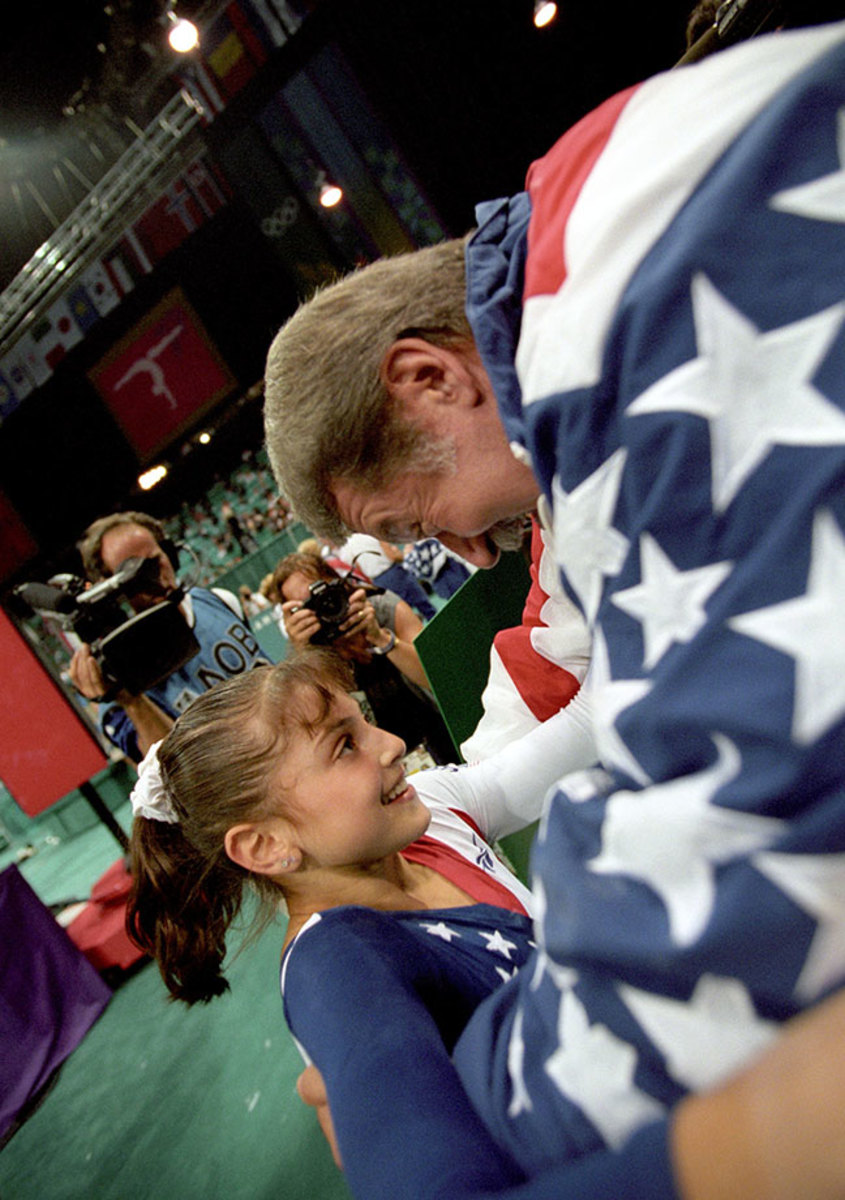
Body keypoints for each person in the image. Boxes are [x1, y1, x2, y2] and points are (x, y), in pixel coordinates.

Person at [263, 19, 845, 1197]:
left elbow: (759, 854)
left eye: (418, 518)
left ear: (428, 378)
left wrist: (481, 1092)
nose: (466, 548)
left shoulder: (613, 282)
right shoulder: (589, 250)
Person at [69, 511, 271, 761]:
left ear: (170, 554)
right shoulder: (116, 686)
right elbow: (166, 768)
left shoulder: (219, 600)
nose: (154, 576)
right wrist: (132, 702)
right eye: (135, 572)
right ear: (110, 589)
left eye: (155, 560)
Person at [272, 550, 456, 763]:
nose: (323, 606)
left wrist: (381, 638)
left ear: (337, 582)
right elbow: (314, 731)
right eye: (307, 605)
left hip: (434, 729)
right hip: (372, 759)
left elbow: (438, 678)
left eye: (322, 593)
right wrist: (305, 654)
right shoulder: (303, 649)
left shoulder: (380, 606)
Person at [338, 531, 437, 619]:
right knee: (426, 607)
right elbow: (392, 556)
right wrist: (405, 556)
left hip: (378, 583)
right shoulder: (370, 533)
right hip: (395, 573)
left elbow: (359, 570)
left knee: (405, 616)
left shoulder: (346, 547)